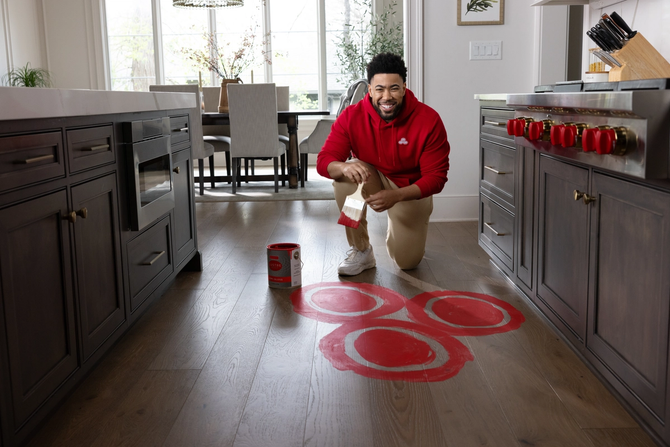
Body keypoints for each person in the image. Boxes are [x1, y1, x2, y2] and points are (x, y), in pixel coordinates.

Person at [316, 52, 451, 276]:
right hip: (373, 179)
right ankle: (361, 250)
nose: (386, 96)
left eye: (394, 88)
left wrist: (396, 196)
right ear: (369, 90)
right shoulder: (351, 117)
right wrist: (343, 167)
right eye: (379, 89)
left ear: (404, 87)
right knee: (344, 179)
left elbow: (436, 178)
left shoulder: (428, 119)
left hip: (410, 191)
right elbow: (324, 162)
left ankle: (398, 229)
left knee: (407, 262)